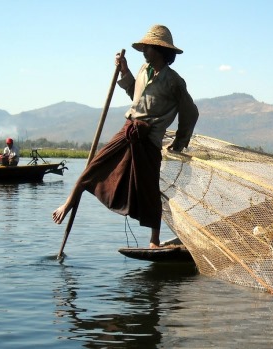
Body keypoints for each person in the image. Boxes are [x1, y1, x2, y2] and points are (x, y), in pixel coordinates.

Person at [52, 24, 199, 248]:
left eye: (148, 48)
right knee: (94, 166)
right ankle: (68, 203)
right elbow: (135, 95)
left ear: (160, 50)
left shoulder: (174, 81)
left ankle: (154, 240)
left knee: (150, 190)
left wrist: (179, 142)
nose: (144, 51)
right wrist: (124, 70)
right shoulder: (142, 71)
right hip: (128, 130)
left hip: (149, 139)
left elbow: (190, 113)